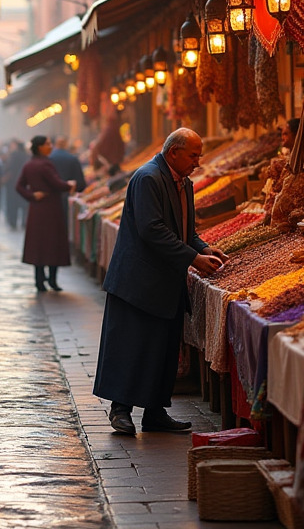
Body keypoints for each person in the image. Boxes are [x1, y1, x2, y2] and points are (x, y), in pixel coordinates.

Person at [93, 128, 229, 435]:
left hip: (164, 280)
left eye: (200, 155)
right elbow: (152, 229)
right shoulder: (148, 178)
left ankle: (154, 411)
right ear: (174, 153)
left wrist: (202, 247)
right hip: (137, 281)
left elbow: (185, 229)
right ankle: (120, 410)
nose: (198, 161)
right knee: (132, 345)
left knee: (162, 348)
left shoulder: (185, 183)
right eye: (193, 155)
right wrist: (193, 259)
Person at [15, 135, 76, 292]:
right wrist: (69, 184)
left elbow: (19, 186)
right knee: (53, 243)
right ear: (40, 147)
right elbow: (56, 183)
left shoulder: (29, 165)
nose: (50, 146)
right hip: (51, 209)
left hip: (36, 210)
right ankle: (52, 280)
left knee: (38, 245)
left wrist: (32, 195)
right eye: (48, 144)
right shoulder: (45, 164)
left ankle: (39, 280)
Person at [49, 135, 86, 229]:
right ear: (66, 145)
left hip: (51, 199)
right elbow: (80, 183)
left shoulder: (48, 159)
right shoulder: (72, 159)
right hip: (67, 199)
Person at [3, 140, 29, 230]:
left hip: (12, 184)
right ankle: (23, 222)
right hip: (24, 183)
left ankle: (13, 222)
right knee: (23, 204)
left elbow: (9, 168)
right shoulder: (26, 155)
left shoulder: (13, 155)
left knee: (13, 204)